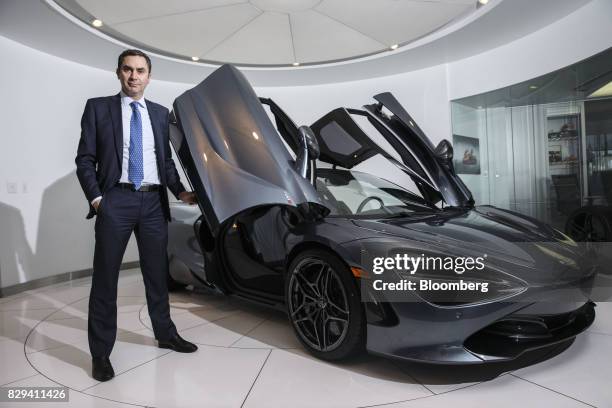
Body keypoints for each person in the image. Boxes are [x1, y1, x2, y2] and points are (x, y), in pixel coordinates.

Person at [75, 49, 198, 382]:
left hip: (154, 204)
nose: (133, 76)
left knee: (158, 275)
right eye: (127, 70)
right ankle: (101, 353)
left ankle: (165, 333)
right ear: (118, 73)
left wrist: (181, 191)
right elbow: (85, 159)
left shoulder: (160, 114)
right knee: (105, 279)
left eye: (140, 70)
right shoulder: (98, 108)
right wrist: (99, 200)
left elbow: (166, 162)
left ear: (149, 76)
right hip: (116, 200)